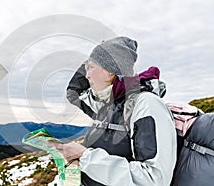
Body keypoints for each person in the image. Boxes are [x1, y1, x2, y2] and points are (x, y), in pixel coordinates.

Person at [52, 37, 177, 185]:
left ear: (110, 72)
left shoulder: (146, 105)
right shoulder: (107, 105)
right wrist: (77, 163)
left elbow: (154, 179)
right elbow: (73, 92)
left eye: (91, 67)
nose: (87, 76)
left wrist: (84, 156)